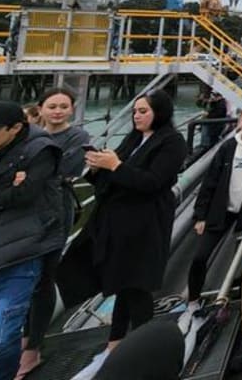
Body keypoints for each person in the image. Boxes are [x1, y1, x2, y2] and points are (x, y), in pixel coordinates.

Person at [66, 90, 187, 379]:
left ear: (159, 112)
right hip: (118, 223)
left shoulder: (172, 142)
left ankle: (141, 346)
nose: (137, 116)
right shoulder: (135, 138)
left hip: (145, 225)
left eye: (143, 111)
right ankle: (117, 341)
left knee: (137, 284)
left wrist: (116, 166)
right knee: (124, 282)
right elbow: (117, 171)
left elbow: (153, 181)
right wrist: (98, 167)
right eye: (135, 111)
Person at [182, 104, 242, 329]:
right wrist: (201, 215)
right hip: (223, 209)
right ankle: (193, 302)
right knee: (200, 257)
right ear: (239, 122)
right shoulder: (228, 147)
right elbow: (211, 181)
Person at [0, 102, 64, 380]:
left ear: (15, 128)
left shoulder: (41, 149)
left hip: (22, 252)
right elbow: (10, 197)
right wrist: (6, 192)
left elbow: (24, 196)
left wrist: (2, 195)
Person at [19, 88, 91, 378]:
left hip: (56, 213)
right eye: (52, 106)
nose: (58, 111)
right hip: (24, 214)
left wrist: (27, 173)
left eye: (64, 106)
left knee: (44, 278)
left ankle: (32, 347)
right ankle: (22, 336)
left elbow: (66, 169)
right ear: (41, 108)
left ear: (72, 109)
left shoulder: (78, 138)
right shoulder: (28, 134)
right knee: (21, 276)